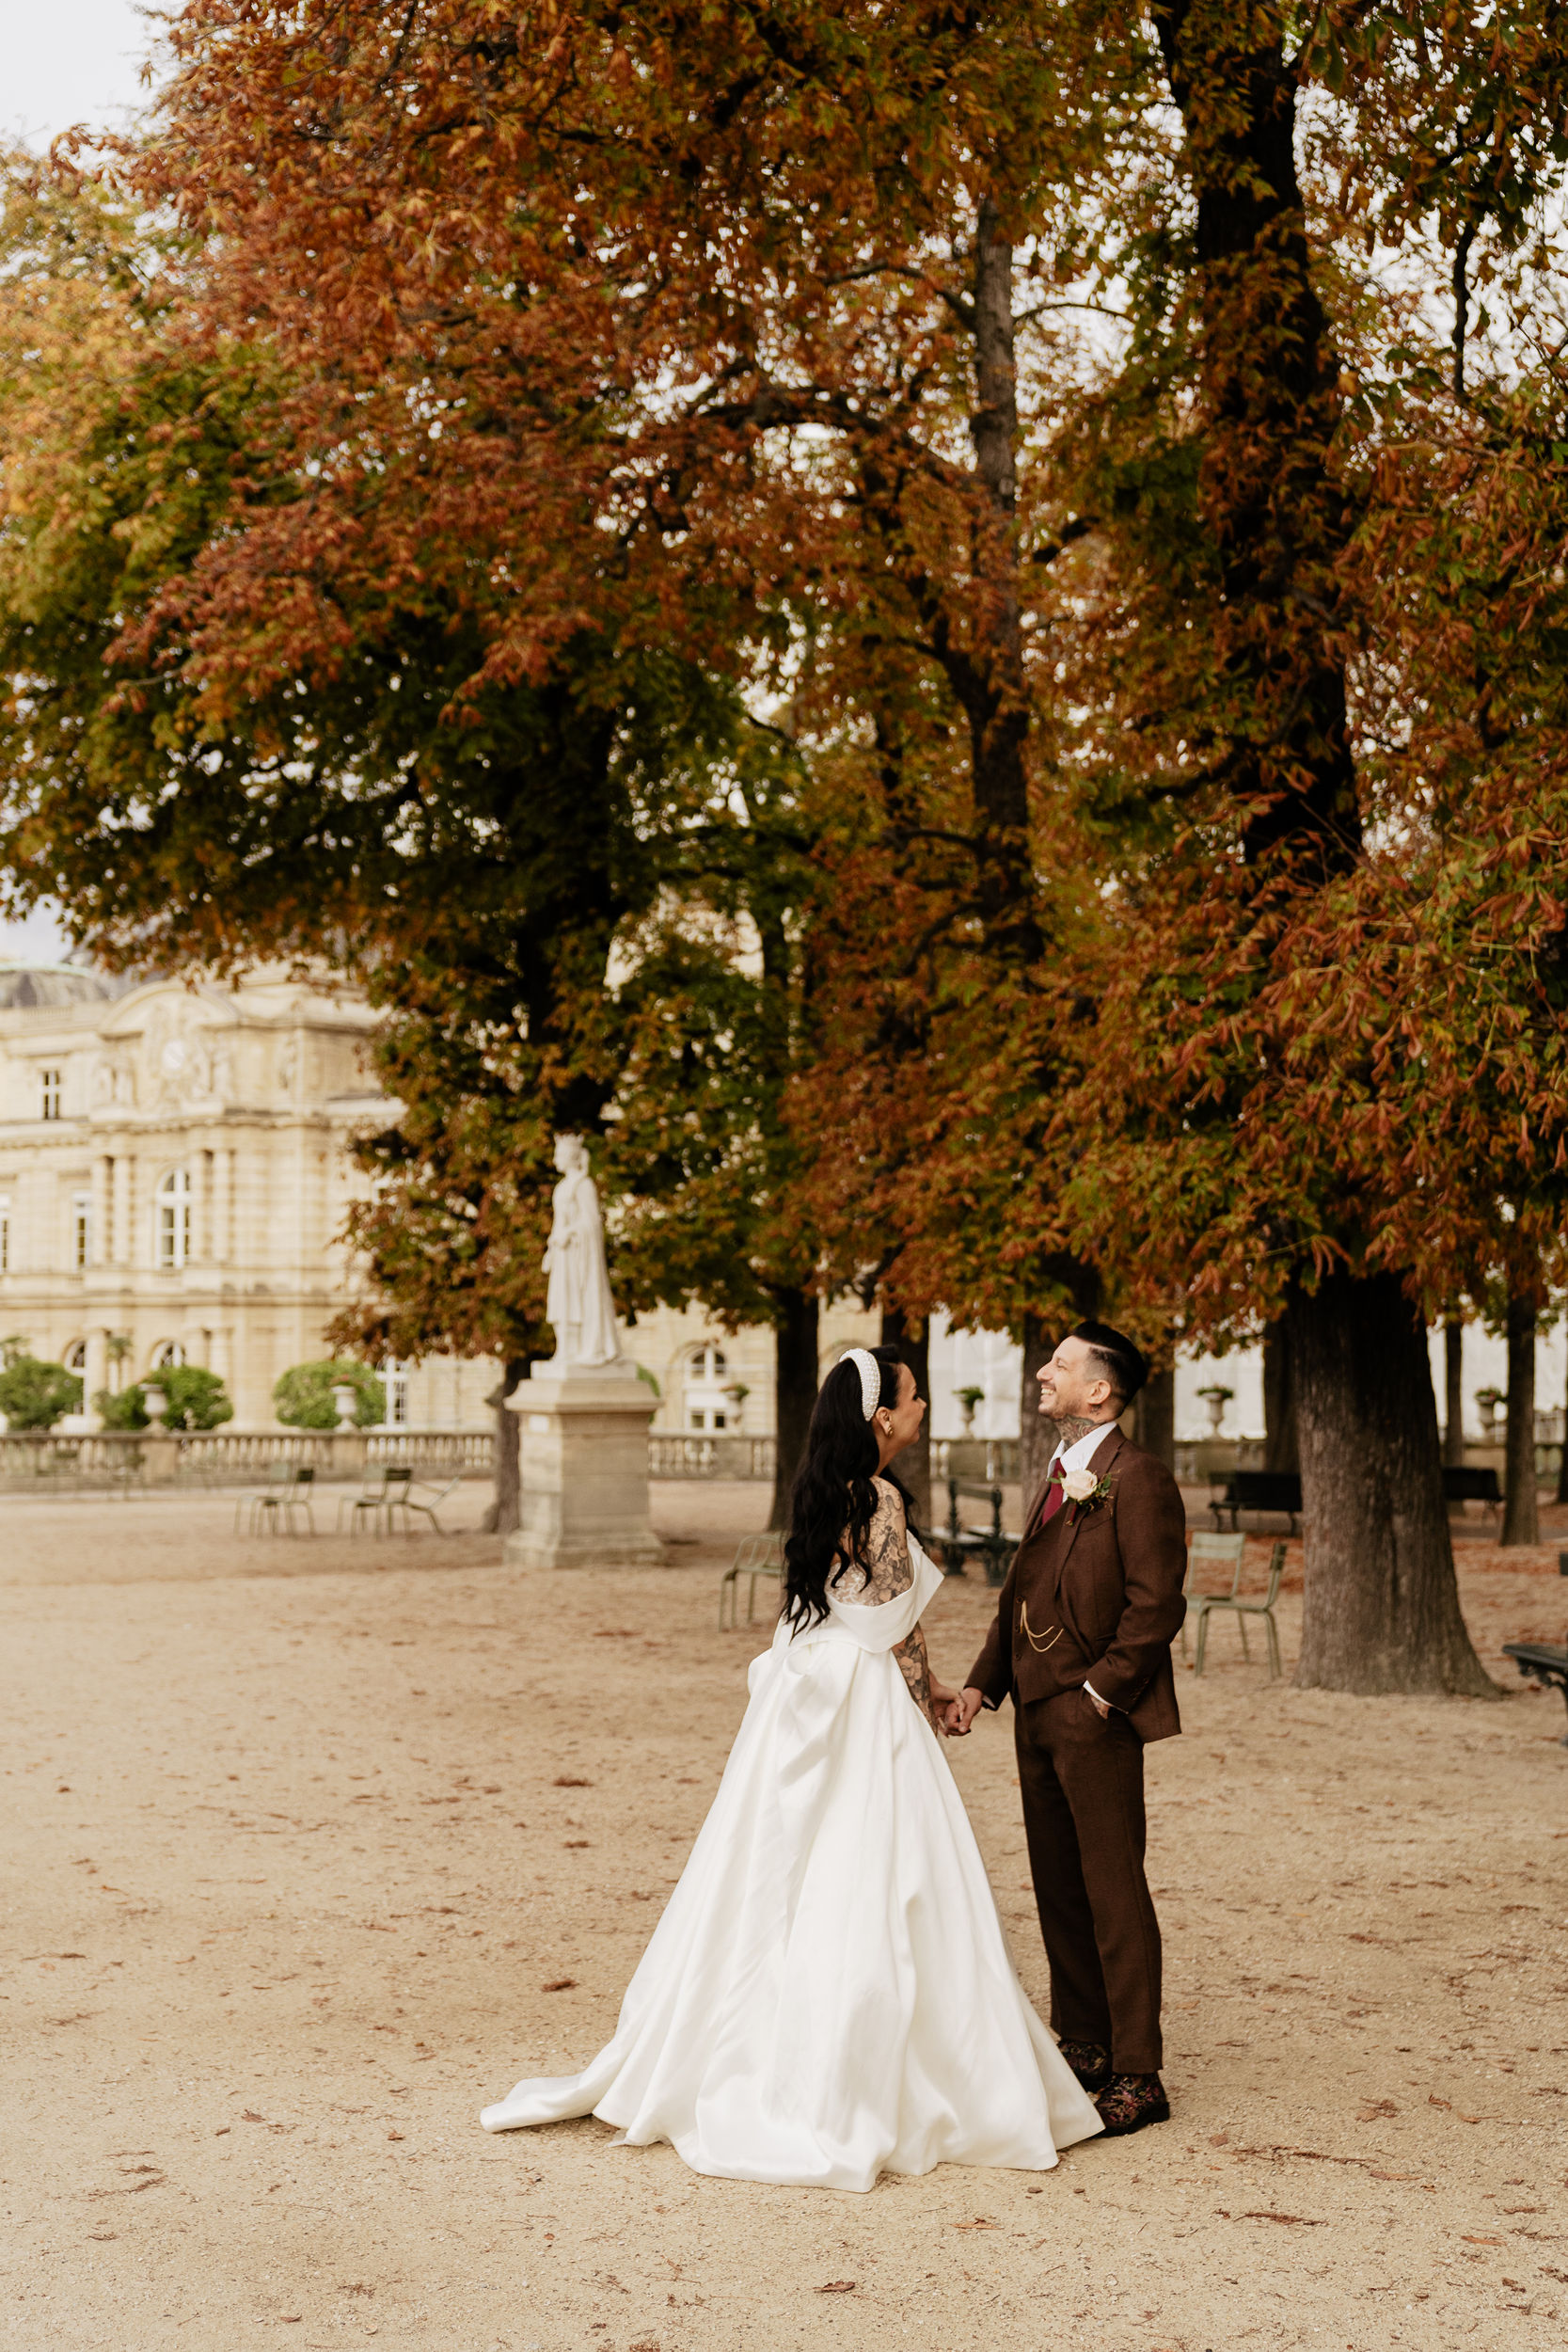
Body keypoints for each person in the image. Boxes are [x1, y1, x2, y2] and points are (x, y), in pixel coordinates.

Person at [480, 1344, 1102, 2188]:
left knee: (775, 1866)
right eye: (913, 1398)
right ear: (882, 1418)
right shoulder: (877, 1496)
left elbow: (853, 1613)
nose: (921, 1407)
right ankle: (890, 2070)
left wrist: (938, 1685)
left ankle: (753, 2038)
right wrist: (935, 1699)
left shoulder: (825, 1491)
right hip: (860, 1698)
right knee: (880, 1869)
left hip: (804, 1688)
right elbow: (888, 1628)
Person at [947, 1321, 1187, 2139]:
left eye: (1060, 1363)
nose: (1043, 1372)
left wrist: (1099, 1694)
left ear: (1101, 1390)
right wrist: (983, 1684)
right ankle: (1082, 2043)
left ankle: (1137, 2071)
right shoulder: (1057, 1474)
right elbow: (1019, 1589)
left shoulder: (1139, 1478)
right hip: (1035, 1710)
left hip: (1092, 1714)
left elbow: (1156, 1605)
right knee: (1057, 1882)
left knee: (1112, 1887)